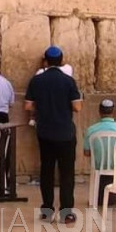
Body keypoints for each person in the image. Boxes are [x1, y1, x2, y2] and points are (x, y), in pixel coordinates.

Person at [25, 46, 82, 222]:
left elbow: (28, 105)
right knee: (66, 173)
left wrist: (42, 106)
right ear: (62, 61)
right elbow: (77, 107)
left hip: (45, 132)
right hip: (65, 132)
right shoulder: (68, 81)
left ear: (46, 61)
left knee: (47, 171)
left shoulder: (37, 80)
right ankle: (66, 212)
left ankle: (47, 209)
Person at [83, 99, 116, 206]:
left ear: (99, 111)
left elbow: (86, 153)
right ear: (112, 111)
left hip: (98, 167)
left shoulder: (90, 130)